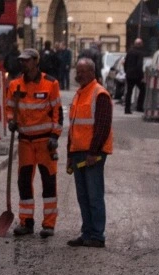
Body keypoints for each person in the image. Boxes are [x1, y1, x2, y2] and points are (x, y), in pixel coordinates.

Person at [5, 48, 63, 238]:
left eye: (27, 60)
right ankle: (26, 222)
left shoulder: (51, 83)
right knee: (24, 182)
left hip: (45, 142)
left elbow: (58, 112)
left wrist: (55, 135)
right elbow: (9, 108)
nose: (23, 63)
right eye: (21, 60)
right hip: (25, 142)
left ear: (36, 62)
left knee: (48, 183)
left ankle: (48, 225)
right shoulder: (15, 85)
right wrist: (10, 121)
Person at [66, 58, 112, 248]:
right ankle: (87, 233)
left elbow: (102, 126)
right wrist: (69, 154)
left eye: (84, 71)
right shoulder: (79, 94)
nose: (80, 74)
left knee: (94, 195)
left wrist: (93, 152)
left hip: (92, 154)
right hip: (78, 153)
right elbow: (74, 127)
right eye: (78, 71)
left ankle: (97, 236)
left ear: (93, 72)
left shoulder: (99, 93)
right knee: (83, 196)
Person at [123, 38, 147, 114]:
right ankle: (139, 107)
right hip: (137, 75)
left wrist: (126, 71)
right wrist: (142, 76)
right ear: (140, 44)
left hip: (129, 75)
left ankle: (127, 109)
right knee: (143, 89)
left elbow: (125, 63)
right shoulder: (140, 53)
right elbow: (139, 65)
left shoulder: (129, 51)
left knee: (129, 92)